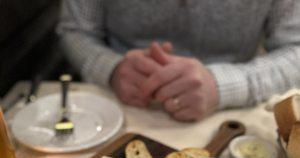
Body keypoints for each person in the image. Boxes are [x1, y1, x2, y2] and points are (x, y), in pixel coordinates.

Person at [58, 0, 300, 122]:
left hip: (232, 113)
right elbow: (76, 30)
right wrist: (110, 68)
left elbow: (295, 49)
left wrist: (221, 85)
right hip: (116, 107)